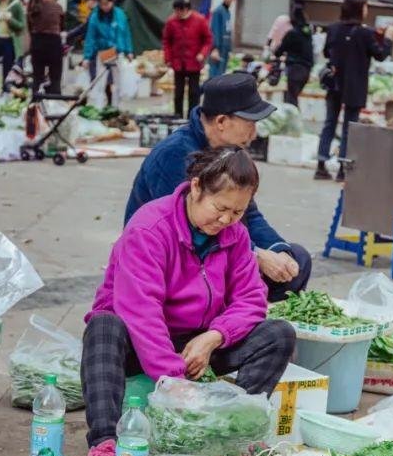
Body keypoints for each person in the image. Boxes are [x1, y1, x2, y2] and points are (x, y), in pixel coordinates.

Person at [82, 146, 296, 456]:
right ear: (196, 188)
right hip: (140, 340)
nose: (226, 220)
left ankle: (232, 436)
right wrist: (174, 379)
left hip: (197, 341)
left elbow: (252, 298)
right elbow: (141, 311)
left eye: (237, 212)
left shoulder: (236, 235)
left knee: (279, 334)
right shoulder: (150, 228)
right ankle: (105, 445)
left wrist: (214, 337)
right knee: (103, 327)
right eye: (220, 208)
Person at [125, 73, 312, 302]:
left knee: (296, 260)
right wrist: (256, 255)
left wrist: (277, 251)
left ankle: (249, 311)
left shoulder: (231, 154)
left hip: (221, 247)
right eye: (250, 124)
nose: (254, 133)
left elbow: (249, 214)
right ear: (221, 122)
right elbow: (192, 231)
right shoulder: (174, 155)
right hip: (178, 259)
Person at [316, 0, 393, 182]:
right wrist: (388, 38)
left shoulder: (333, 29)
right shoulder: (364, 33)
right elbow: (380, 54)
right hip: (355, 85)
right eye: (366, 6)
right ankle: (343, 170)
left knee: (329, 123)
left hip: (334, 83)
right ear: (359, 9)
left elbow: (326, 52)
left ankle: (321, 165)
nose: (367, 10)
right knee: (350, 128)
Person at [163, 0, 212, 118]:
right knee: (178, 92)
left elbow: (208, 40)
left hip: (194, 63)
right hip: (178, 62)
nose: (177, 13)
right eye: (175, 11)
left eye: (179, 10)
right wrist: (168, 58)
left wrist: (202, 53)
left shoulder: (199, 20)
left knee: (194, 92)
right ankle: (178, 116)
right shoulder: (171, 22)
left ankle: (192, 117)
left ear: (186, 9)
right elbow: (167, 41)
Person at [83, 0, 133, 107]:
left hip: (118, 52)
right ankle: (99, 107)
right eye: (101, 4)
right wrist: (87, 57)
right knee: (100, 83)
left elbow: (126, 33)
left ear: (112, 2)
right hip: (103, 52)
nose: (104, 7)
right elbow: (90, 37)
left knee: (119, 82)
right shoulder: (95, 16)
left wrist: (129, 50)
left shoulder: (120, 14)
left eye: (107, 4)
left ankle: (117, 107)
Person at [27, 0, 65, 94]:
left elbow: (30, 27)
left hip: (37, 42)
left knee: (37, 77)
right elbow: (62, 26)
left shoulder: (33, 7)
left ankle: (35, 100)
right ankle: (54, 99)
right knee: (55, 77)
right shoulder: (57, 7)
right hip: (53, 42)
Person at [274, 6, 313, 107]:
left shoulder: (292, 33)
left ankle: (293, 116)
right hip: (306, 70)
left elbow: (279, 51)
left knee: (291, 100)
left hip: (295, 69)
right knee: (293, 97)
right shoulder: (307, 33)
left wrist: (276, 50)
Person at [208, 0, 237, 78]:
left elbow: (228, 31)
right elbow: (214, 30)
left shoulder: (227, 12)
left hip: (225, 48)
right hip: (218, 48)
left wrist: (229, 49)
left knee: (221, 75)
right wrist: (214, 48)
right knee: (214, 75)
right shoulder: (218, 11)